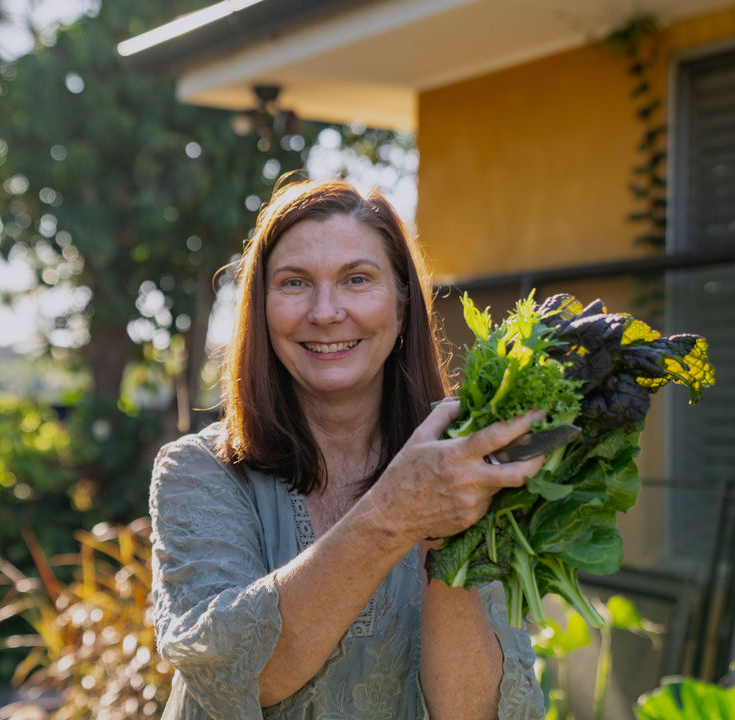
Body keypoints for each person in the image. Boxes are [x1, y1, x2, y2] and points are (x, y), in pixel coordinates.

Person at [149, 178, 545, 719]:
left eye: (357, 279)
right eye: (294, 283)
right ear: (261, 312)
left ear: (403, 308)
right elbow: (241, 677)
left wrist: (442, 537)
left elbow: (476, 713)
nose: (326, 311)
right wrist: (394, 514)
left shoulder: (469, 476)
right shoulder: (198, 472)